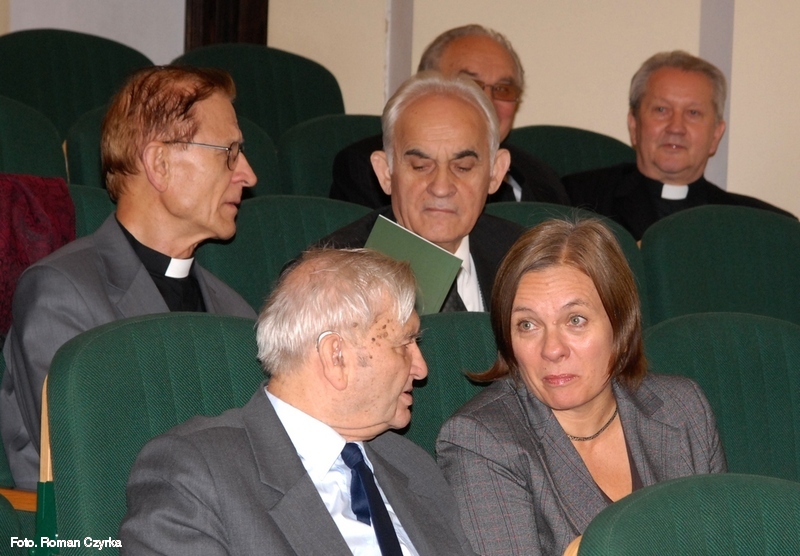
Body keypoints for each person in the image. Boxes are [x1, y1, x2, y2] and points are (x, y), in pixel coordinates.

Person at [119, 248, 478, 555]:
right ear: (336, 356)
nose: (421, 368)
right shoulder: (196, 474)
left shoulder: (413, 467)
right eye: (404, 344)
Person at [1, 66, 258, 490]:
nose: (248, 174)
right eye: (228, 152)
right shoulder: (60, 295)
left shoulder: (237, 314)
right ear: (159, 164)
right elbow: (91, 477)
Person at [436, 218, 726, 556]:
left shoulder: (683, 408)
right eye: (527, 325)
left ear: (620, 326)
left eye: (575, 320)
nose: (552, 349)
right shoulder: (481, 441)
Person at [321, 72, 525, 312]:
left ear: (495, 173)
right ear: (385, 172)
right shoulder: (329, 280)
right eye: (420, 166)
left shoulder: (525, 258)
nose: (441, 188)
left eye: (463, 167)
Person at [330, 24, 568, 208]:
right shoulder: (365, 167)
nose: (487, 100)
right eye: (470, 84)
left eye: (503, 89)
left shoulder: (542, 176)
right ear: (428, 85)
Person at [563, 51, 794, 240]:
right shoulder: (575, 202)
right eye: (661, 110)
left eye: (693, 113)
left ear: (716, 134)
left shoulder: (763, 226)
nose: (676, 127)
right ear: (634, 125)